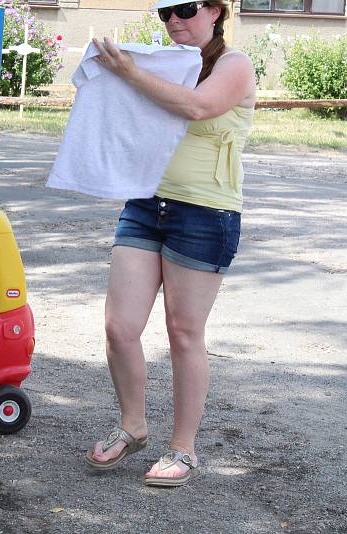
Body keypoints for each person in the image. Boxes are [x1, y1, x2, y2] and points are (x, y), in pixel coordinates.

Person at [83, 0, 255, 487]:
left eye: (184, 9)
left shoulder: (233, 65)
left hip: (205, 213)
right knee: (119, 327)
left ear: (215, 11)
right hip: (145, 203)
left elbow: (197, 106)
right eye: (165, 13)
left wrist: (129, 73)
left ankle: (183, 449)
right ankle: (132, 425)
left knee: (183, 333)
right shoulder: (160, 62)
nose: (174, 20)